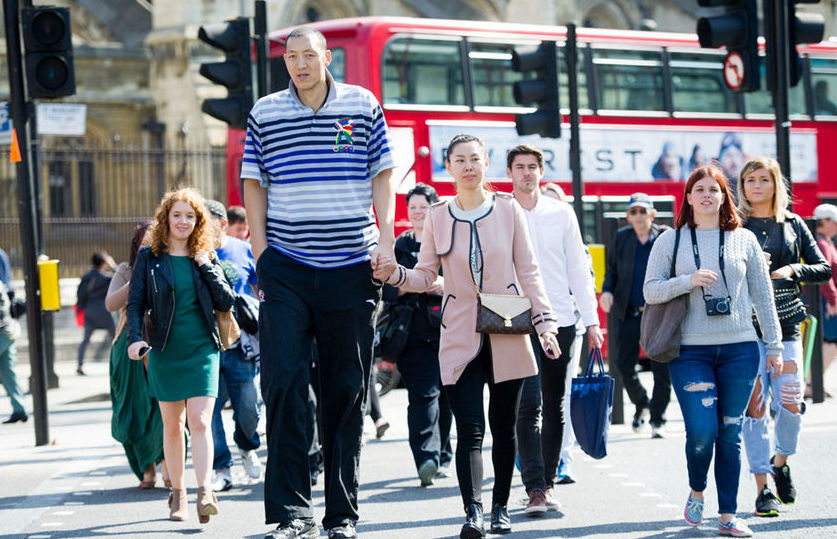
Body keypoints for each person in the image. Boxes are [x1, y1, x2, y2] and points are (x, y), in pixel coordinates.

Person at [240, 26, 395, 539]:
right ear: (285, 63)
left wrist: (388, 241)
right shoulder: (265, 111)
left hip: (352, 266)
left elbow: (382, 174)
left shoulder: (362, 103)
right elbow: (253, 183)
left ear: (328, 58)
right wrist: (261, 254)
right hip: (285, 267)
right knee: (282, 385)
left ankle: (342, 516)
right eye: (292, 57)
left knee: (346, 391)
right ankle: (291, 514)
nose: (301, 64)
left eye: (310, 55)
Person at [375, 134, 560, 539]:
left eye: (475, 159)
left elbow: (528, 271)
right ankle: (472, 512)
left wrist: (544, 323)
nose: (469, 166)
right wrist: (395, 275)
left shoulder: (509, 210)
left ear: (487, 163)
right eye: (460, 160)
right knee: (470, 428)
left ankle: (500, 509)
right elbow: (426, 274)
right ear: (449, 167)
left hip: (508, 327)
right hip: (458, 331)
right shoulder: (439, 215)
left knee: (503, 426)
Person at [644, 166, 782, 538]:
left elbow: (762, 297)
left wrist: (773, 346)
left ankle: (727, 515)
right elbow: (650, 291)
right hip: (690, 353)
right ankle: (696, 490)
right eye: (699, 190)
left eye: (714, 190)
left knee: (730, 432)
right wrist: (686, 281)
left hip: (740, 350)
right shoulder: (669, 241)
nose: (707, 195)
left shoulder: (744, 240)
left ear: (725, 197)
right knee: (702, 431)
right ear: (688, 198)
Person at [126, 187, 235, 523]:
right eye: (177, 215)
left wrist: (207, 266)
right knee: (172, 425)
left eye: (190, 216)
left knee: (200, 421)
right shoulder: (149, 257)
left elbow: (226, 301)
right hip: (164, 349)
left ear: (199, 220)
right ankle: (178, 495)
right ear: (166, 218)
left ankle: (205, 492)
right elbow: (135, 303)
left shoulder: (206, 254)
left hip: (202, 348)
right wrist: (134, 339)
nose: (183, 221)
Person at [506, 144, 602, 516]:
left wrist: (591, 321)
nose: (527, 173)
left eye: (532, 167)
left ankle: (546, 483)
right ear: (510, 172)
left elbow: (579, 268)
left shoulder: (561, 214)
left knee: (554, 406)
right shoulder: (501, 210)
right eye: (520, 167)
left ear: (541, 172)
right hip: (515, 320)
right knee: (526, 405)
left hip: (561, 320)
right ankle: (533, 489)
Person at [736, 157, 831, 518]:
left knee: (790, 403)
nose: (756, 186)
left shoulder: (793, 224)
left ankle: (780, 462)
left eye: (763, 179)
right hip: (745, 328)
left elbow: (823, 268)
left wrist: (793, 268)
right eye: (749, 180)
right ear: (742, 186)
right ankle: (762, 488)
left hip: (787, 323)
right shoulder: (735, 225)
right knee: (755, 408)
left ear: (775, 184)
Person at [382, 182, 453, 486]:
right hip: (413, 334)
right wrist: (424, 282)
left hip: (451, 331)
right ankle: (426, 458)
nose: (418, 213)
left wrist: (439, 283)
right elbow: (389, 288)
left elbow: (467, 280)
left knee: (448, 397)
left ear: (435, 209)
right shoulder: (400, 245)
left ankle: (444, 454)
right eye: (412, 207)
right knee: (423, 396)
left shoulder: (449, 241)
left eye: (423, 207)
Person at [600, 193, 671, 438]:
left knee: (662, 368)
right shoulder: (622, 238)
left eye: (643, 211)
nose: (639, 216)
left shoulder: (664, 237)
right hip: (630, 312)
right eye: (634, 212)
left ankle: (658, 419)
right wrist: (607, 291)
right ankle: (642, 402)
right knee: (622, 364)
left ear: (652, 214)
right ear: (628, 216)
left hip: (659, 313)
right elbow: (612, 271)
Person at [203, 200, 263, 493]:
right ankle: (221, 467)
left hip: (239, 344)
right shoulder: (191, 253)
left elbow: (258, 289)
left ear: (222, 223)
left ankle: (247, 446)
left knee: (249, 407)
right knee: (208, 411)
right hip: (205, 344)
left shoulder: (242, 249)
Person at [106, 220, 167, 489]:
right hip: (127, 347)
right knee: (133, 407)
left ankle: (167, 463)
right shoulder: (125, 270)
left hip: (161, 343)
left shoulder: (172, 265)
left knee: (162, 406)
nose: (150, 245)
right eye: (145, 241)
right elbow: (111, 303)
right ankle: (146, 468)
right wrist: (137, 277)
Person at [76, 251, 117, 375]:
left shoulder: (86, 277)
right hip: (105, 311)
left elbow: (80, 294)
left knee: (85, 339)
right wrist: (113, 265)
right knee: (115, 339)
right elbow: (122, 276)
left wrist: (80, 309)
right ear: (104, 263)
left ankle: (80, 364)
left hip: (90, 311)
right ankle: (118, 364)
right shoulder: (106, 278)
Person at [814, 204, 837, 380]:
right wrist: (833, 299)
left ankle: (813, 382)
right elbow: (825, 275)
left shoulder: (824, 242)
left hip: (823, 299)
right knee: (831, 339)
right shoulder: (822, 243)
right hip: (824, 301)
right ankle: (813, 383)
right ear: (825, 221)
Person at [0, 279, 26, 424]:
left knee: (7, 372)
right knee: (7, 372)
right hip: (7, 331)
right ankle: (19, 409)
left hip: (4, 332)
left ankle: (19, 408)